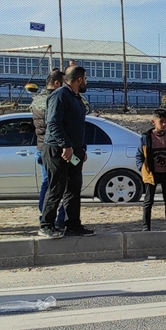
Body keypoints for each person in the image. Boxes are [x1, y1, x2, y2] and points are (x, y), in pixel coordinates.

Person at [39, 65, 95, 238]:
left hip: (74, 152)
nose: (86, 82)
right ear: (79, 79)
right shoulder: (60, 95)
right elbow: (53, 123)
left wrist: (81, 148)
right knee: (56, 188)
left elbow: (77, 127)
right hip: (57, 150)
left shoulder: (76, 98)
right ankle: (46, 225)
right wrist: (66, 145)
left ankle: (73, 225)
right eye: (85, 79)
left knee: (73, 188)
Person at [135, 109, 166, 231]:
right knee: (148, 201)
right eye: (161, 121)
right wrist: (142, 168)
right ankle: (146, 227)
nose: (164, 124)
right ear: (153, 122)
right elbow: (139, 155)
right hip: (152, 173)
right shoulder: (146, 137)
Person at [31, 70, 66, 229]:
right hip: (55, 148)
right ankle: (60, 219)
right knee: (63, 185)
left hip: (41, 148)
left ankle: (44, 215)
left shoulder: (37, 99)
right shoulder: (55, 99)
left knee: (47, 183)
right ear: (57, 83)